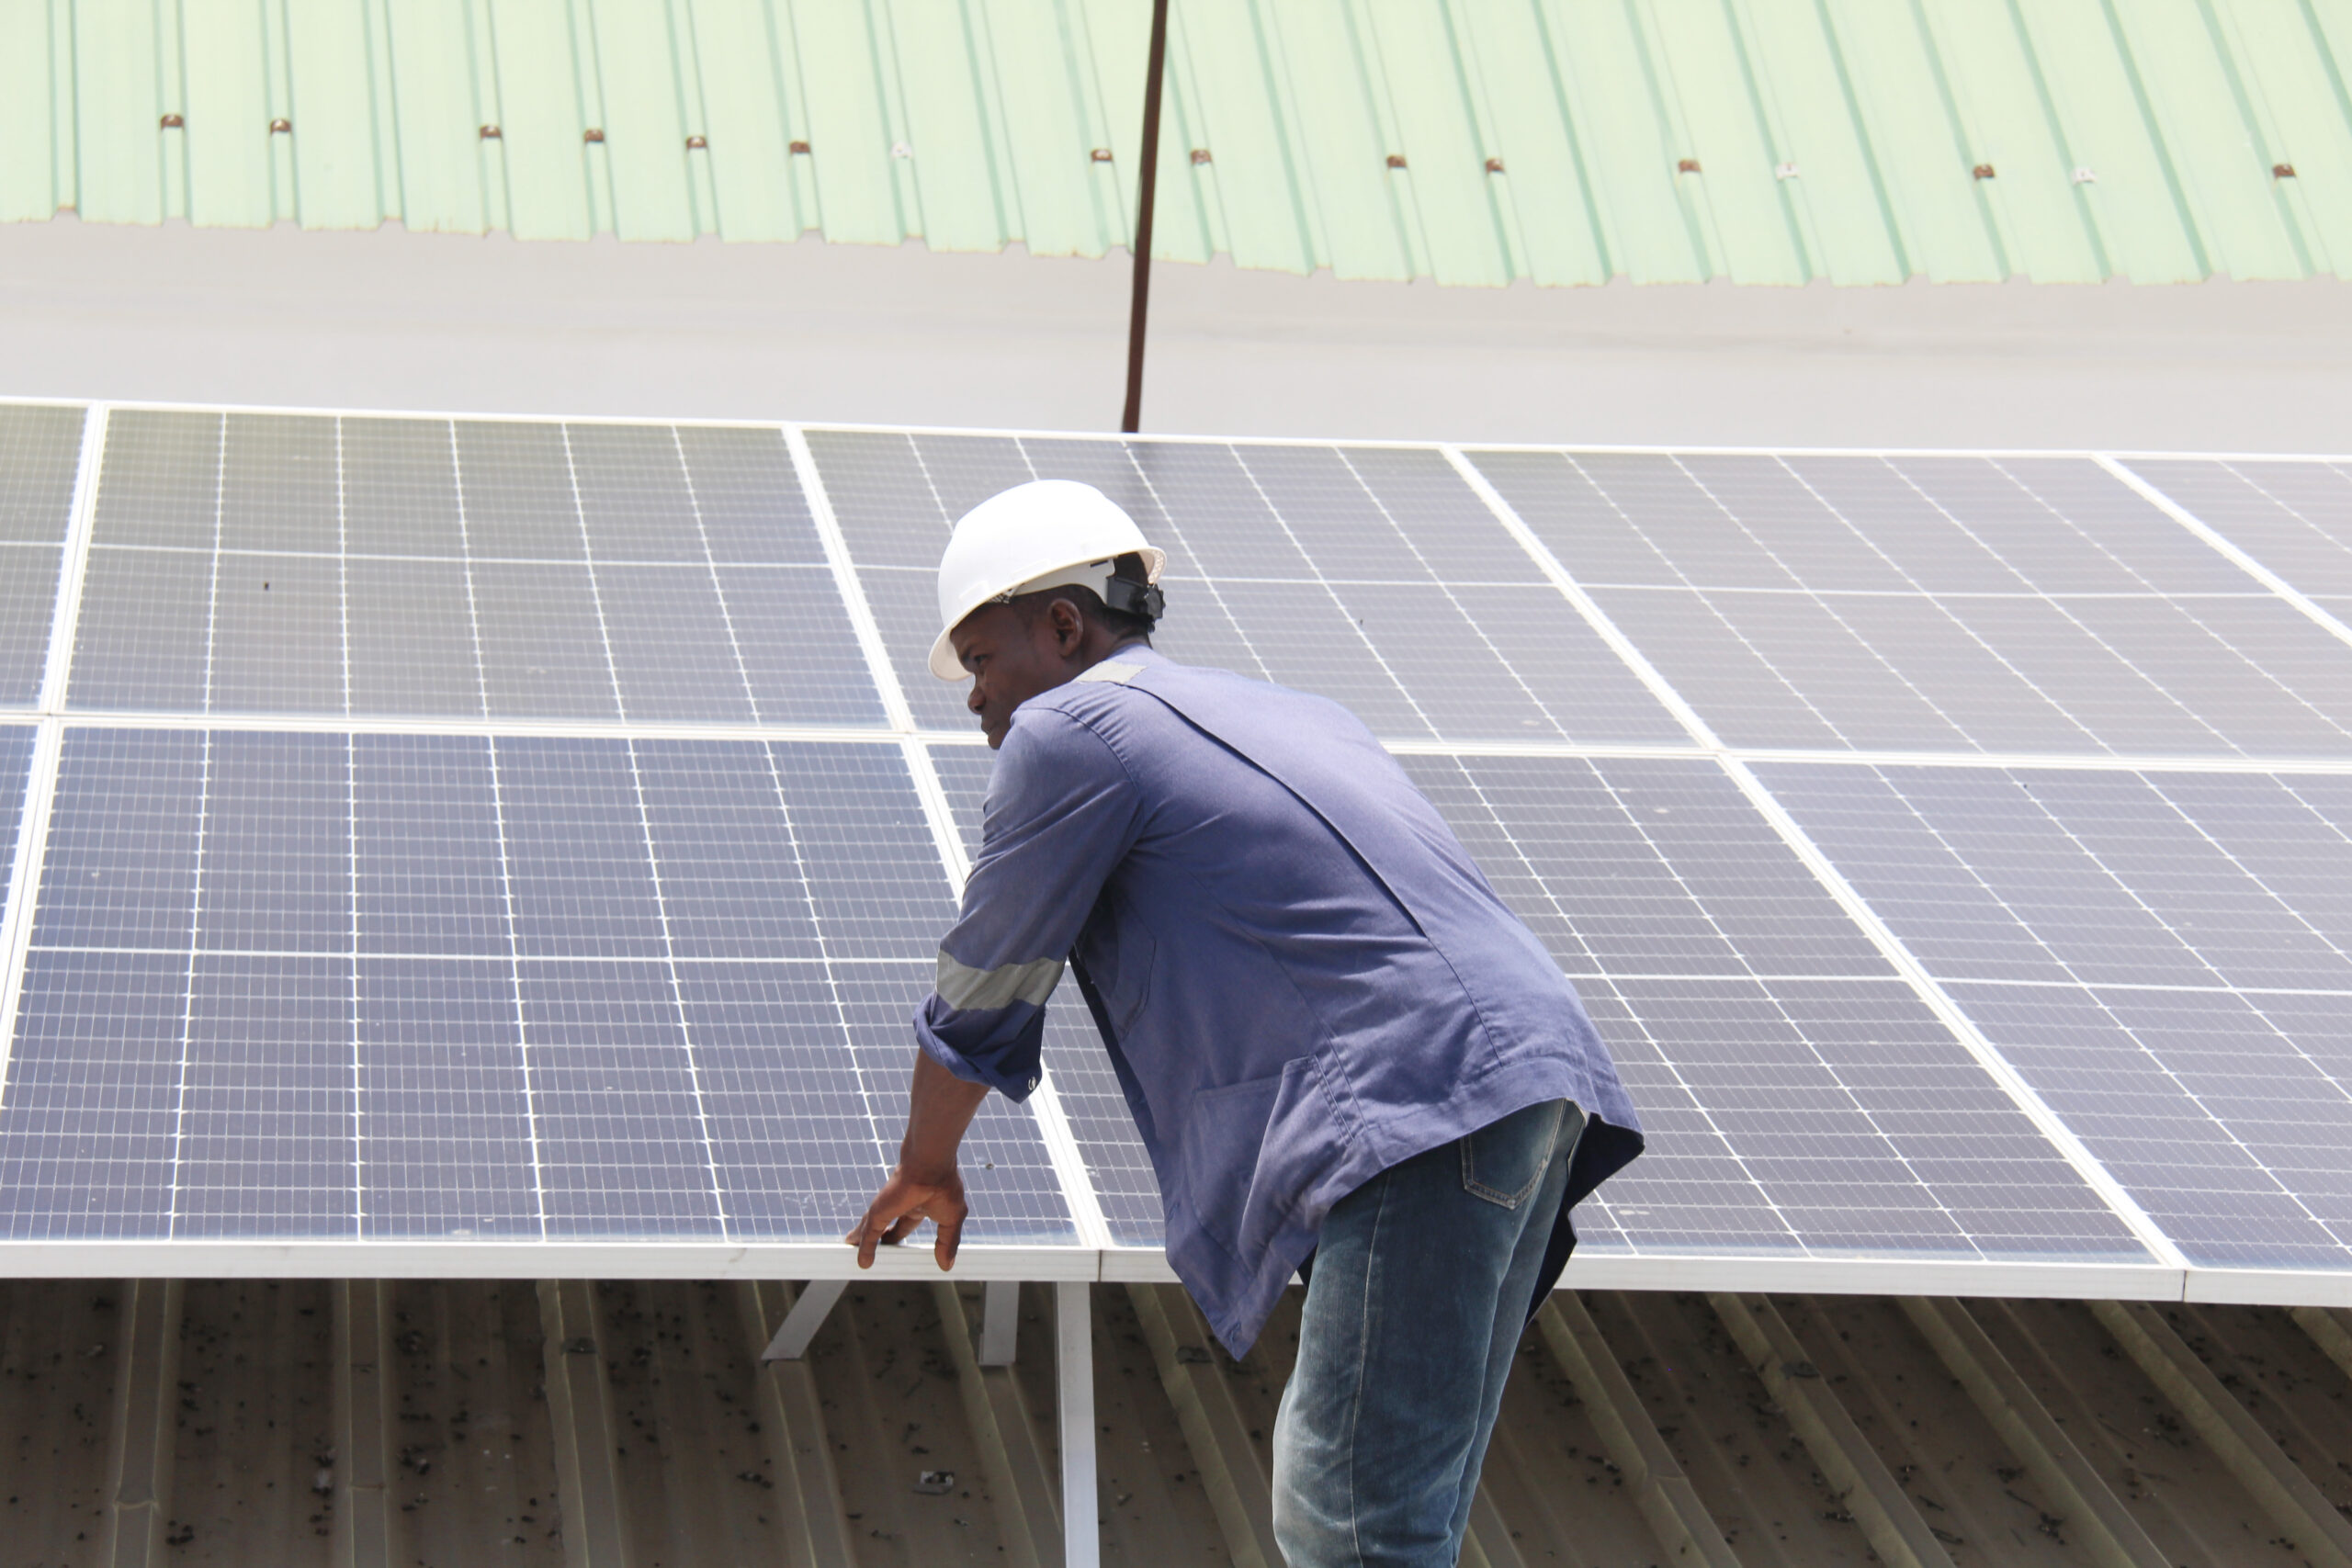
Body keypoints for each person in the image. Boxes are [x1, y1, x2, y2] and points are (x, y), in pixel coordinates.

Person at [846, 479, 1643, 1567]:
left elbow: (989, 975)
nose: (976, 700)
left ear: (1064, 626)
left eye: (981, 661)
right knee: (1404, 1504)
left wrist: (926, 1161)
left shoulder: (1069, 730)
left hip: (1415, 1102)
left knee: (1351, 1522)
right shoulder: (1298, 710)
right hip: (1530, 1084)